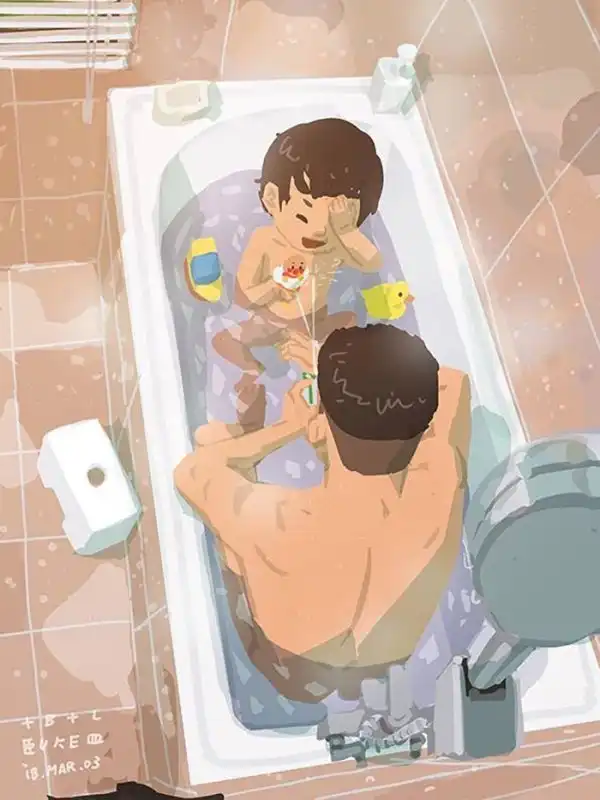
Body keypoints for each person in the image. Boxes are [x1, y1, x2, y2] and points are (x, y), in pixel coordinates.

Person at [175, 324, 470, 703]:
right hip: (387, 662)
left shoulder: (281, 522)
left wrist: (289, 426)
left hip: (292, 670)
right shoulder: (439, 480)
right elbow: (453, 382)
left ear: (317, 428)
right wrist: (345, 376)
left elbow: (191, 472)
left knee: (212, 441)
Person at [212, 117, 384, 432]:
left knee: (349, 326)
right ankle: (254, 372)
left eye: (332, 221)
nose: (317, 232)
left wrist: (345, 232)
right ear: (272, 200)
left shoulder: (335, 244)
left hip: (314, 322)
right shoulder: (265, 241)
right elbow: (244, 295)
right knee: (223, 341)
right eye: (303, 215)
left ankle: (320, 404)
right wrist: (275, 286)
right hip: (270, 320)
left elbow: (372, 263)